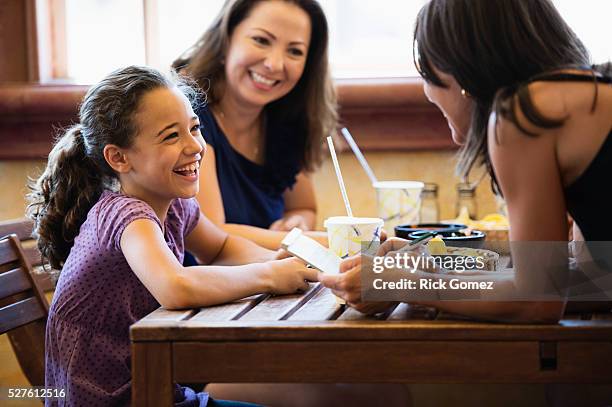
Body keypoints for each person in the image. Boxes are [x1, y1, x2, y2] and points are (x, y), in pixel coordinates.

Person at [28, 65, 318, 406]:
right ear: (118, 157)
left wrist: (281, 262)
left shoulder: (174, 204)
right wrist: (268, 276)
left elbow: (220, 247)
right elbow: (175, 288)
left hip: (159, 391)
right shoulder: (125, 213)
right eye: (171, 136)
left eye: (195, 128)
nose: (194, 146)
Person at [319, 0, 612, 323]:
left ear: (457, 71)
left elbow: (537, 302)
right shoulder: (589, 96)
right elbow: (594, 282)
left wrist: (402, 283)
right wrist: (444, 263)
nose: (459, 138)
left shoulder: (526, 112)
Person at [173, 0, 338, 252]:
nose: (274, 64)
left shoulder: (286, 121)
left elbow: (303, 207)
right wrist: (330, 242)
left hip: (268, 286)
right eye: (261, 40)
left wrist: (297, 223)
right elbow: (212, 234)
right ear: (226, 38)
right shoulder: (188, 115)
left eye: (294, 51)